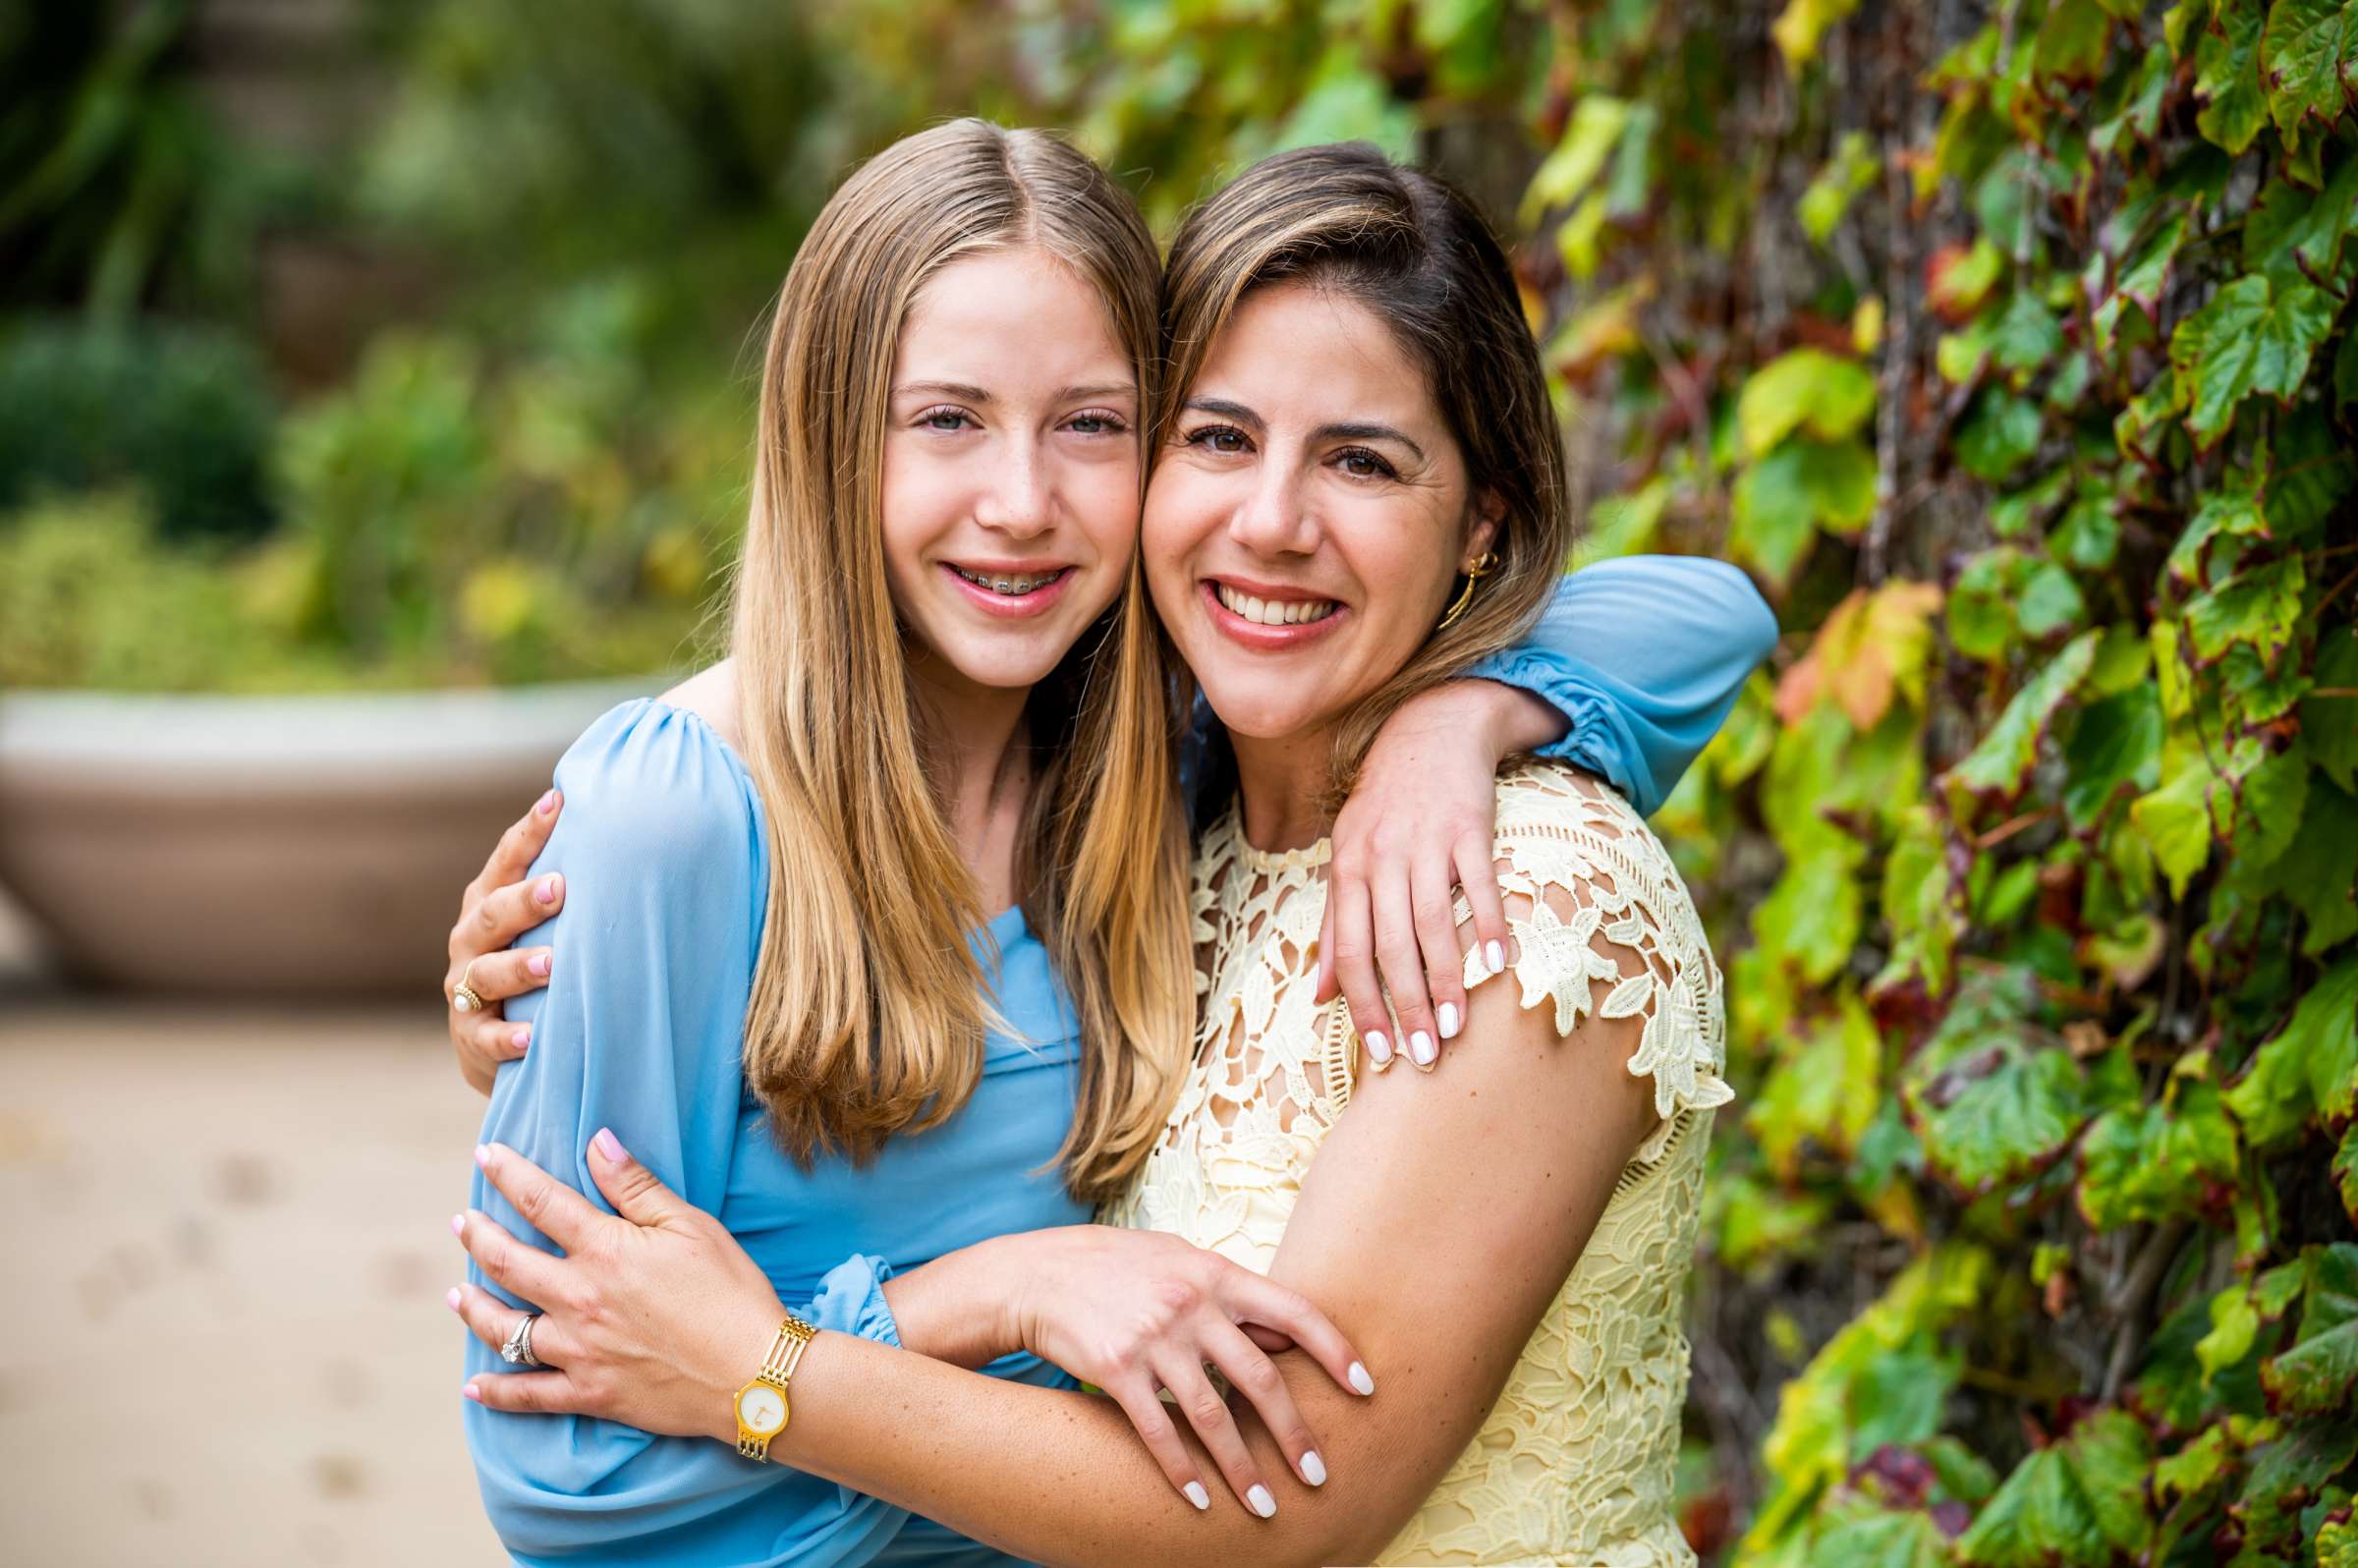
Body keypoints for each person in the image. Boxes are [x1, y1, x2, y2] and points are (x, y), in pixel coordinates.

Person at [445, 126, 1770, 1567]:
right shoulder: (676, 820)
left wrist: (1461, 720)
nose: (1022, 502)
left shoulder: (1149, 780)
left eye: (1090, 423)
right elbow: (553, 1465)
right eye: (946, 418)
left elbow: (1711, 612)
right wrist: (984, 1294)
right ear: (832, 434)